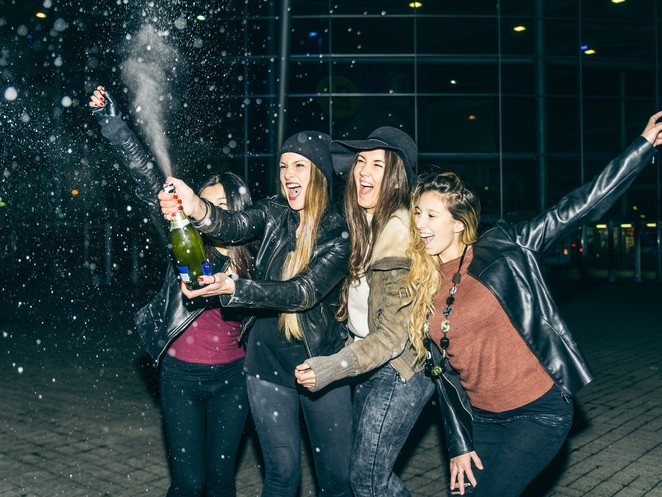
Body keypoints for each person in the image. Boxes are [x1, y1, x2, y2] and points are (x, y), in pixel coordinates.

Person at [405, 112, 662, 497]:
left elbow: (577, 205)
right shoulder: (422, 280)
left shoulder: (504, 248)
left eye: (431, 215)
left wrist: (640, 149)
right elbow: (443, 376)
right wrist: (459, 444)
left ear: (458, 222)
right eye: (417, 214)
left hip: (538, 412)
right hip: (483, 420)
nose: (420, 223)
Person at [157, 131, 353, 497]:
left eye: (299, 165)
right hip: (267, 364)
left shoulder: (338, 231)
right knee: (281, 474)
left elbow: (303, 292)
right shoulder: (273, 211)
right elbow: (234, 224)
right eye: (283, 166)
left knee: (336, 480)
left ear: (320, 174)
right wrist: (196, 206)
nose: (288, 174)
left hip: (322, 363)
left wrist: (236, 288)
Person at [89, 86, 255, 497]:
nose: (208, 212)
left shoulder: (256, 252)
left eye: (220, 205)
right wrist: (114, 125)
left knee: (220, 480)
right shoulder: (184, 237)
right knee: (188, 482)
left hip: (234, 378)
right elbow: (147, 177)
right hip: (181, 375)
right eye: (203, 203)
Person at [293, 127, 435, 497]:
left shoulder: (398, 232)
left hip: (399, 370)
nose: (363, 171)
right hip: (370, 362)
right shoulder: (365, 225)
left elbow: (391, 337)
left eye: (377, 164)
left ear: (396, 177)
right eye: (360, 161)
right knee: (366, 475)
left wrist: (330, 367)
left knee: (368, 479)